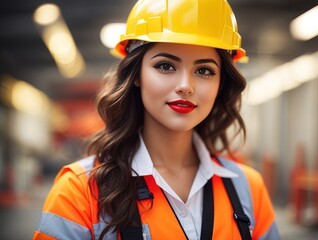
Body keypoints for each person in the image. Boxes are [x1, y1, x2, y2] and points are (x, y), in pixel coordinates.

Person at [33, 0, 280, 239]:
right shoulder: (80, 190)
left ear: (221, 83)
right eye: (165, 66)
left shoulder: (248, 188)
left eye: (204, 70)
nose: (186, 86)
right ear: (136, 74)